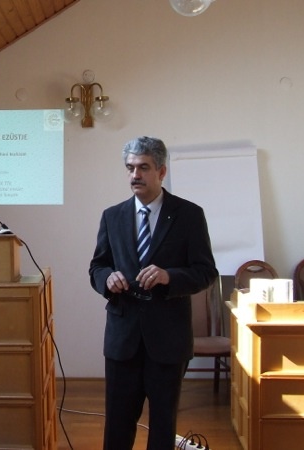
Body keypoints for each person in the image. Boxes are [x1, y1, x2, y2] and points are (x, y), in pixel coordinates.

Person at [89, 136, 218, 450]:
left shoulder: (189, 215)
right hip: (123, 338)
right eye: (130, 167)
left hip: (168, 338)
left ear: (161, 171)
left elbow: (205, 272)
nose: (135, 175)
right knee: (117, 424)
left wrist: (168, 276)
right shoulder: (112, 216)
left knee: (162, 425)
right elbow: (97, 266)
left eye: (143, 167)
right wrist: (107, 279)